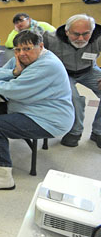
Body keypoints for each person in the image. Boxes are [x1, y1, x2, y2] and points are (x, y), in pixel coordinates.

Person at [0, 30, 74, 191]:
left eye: (27, 49)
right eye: (18, 50)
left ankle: (3, 177)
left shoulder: (47, 65)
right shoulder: (23, 58)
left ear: (41, 46)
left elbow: (12, 90)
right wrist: (14, 72)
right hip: (27, 106)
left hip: (48, 119)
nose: (21, 53)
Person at [43, 14, 101, 148]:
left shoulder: (98, 37)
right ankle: (75, 132)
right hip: (63, 73)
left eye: (86, 34)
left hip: (89, 70)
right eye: (76, 34)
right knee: (73, 97)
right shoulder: (50, 39)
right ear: (67, 31)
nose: (81, 39)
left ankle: (98, 131)